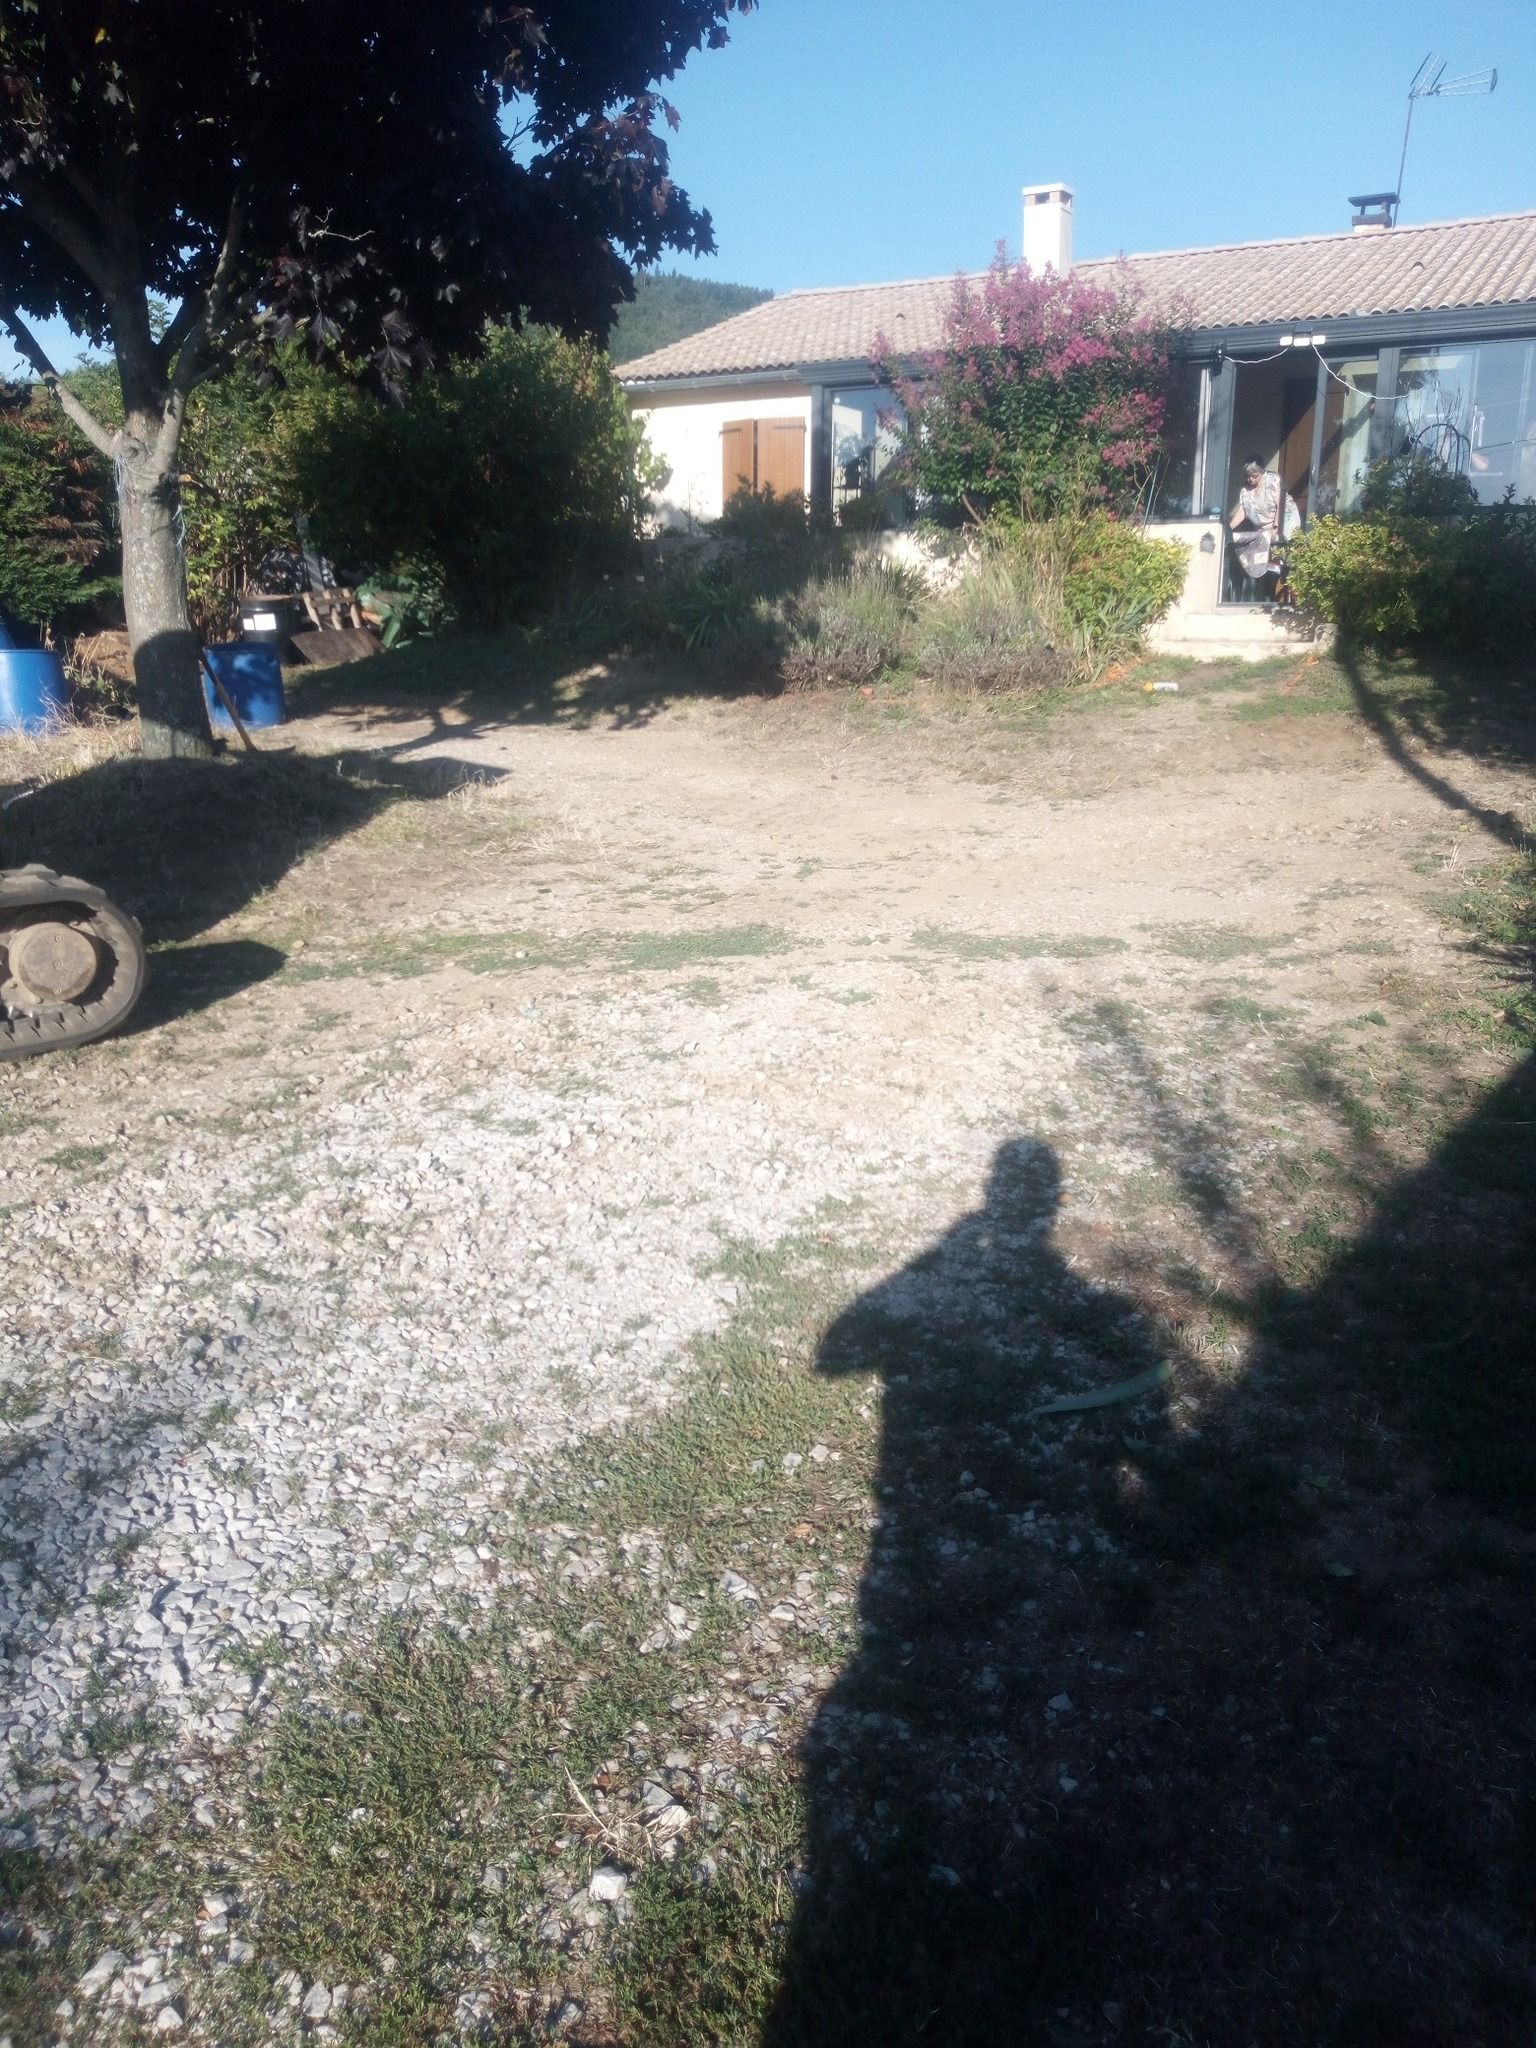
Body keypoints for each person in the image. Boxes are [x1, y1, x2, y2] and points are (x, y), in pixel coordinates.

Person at [1229, 455, 1300, 586]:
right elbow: (1244, 510)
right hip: (1264, 523)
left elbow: (1280, 505)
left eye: (1254, 476)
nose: (1250, 479)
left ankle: (1288, 577)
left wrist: (1276, 528)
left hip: (1285, 519)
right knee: (1256, 547)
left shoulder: (1271, 480)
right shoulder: (1246, 489)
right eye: (1248, 476)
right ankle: (1266, 577)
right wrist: (1229, 528)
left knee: (1283, 551)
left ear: (1261, 472)